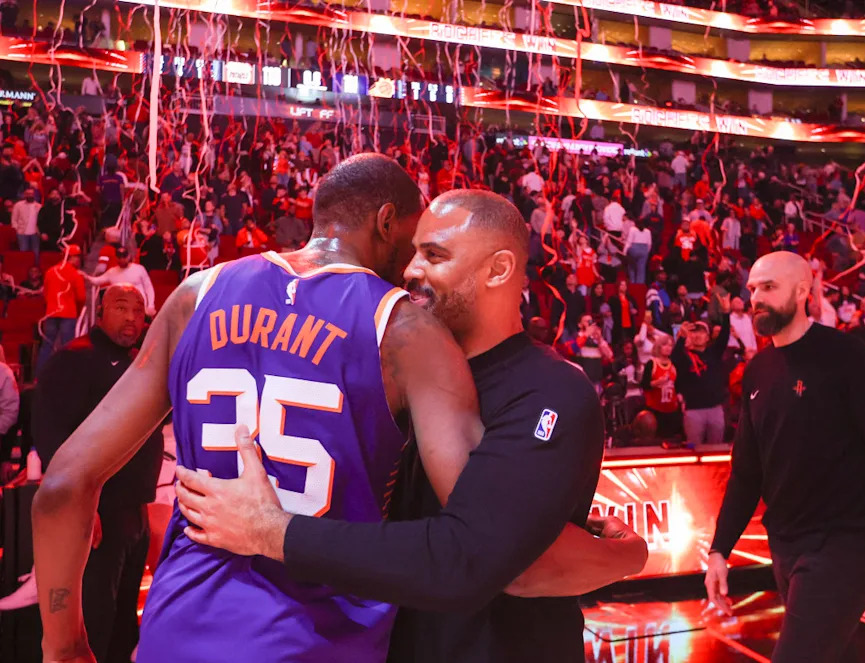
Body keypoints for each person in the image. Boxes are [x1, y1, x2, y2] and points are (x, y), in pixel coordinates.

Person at [32, 157, 640, 663]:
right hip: (318, 641)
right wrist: (625, 555)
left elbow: (61, 485)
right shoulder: (404, 328)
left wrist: (65, 646)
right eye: (412, 244)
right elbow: (483, 548)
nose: (409, 269)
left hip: (176, 630)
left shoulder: (197, 293)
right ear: (385, 222)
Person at [706, 251, 865, 663]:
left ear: (803, 290)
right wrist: (720, 549)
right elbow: (745, 474)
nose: (756, 297)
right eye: (753, 288)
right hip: (785, 546)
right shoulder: (758, 370)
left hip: (846, 544)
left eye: (769, 287)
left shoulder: (851, 359)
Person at [33, 285, 161, 663]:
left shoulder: (141, 362)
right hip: (97, 514)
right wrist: (80, 508)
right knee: (95, 620)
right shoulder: (75, 359)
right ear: (100, 311)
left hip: (134, 511)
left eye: (139, 311)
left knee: (125, 622)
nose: (132, 318)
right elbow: (51, 434)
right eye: (122, 308)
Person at [672, 307, 731, 446]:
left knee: (716, 449)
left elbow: (724, 335)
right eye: (694, 332)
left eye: (701, 332)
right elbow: (674, 358)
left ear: (708, 337)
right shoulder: (684, 356)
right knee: (693, 450)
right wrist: (681, 337)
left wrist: (726, 313)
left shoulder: (714, 353)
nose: (697, 335)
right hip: (693, 411)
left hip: (715, 409)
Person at [37, 244, 87, 370]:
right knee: (68, 347)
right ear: (71, 257)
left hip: (51, 313)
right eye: (77, 257)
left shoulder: (50, 271)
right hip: (69, 314)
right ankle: (66, 375)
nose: (79, 260)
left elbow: (46, 294)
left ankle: (40, 376)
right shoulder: (76, 275)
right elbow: (81, 298)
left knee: (47, 346)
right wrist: (78, 311)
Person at [84, 246, 156, 317]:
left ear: (128, 256)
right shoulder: (112, 272)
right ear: (116, 258)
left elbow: (148, 287)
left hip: (138, 306)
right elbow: (97, 281)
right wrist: (86, 277)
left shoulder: (139, 269)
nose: (122, 259)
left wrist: (150, 305)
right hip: (120, 309)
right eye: (120, 257)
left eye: (124, 257)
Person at [11, 187, 41, 260]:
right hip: (22, 233)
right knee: (24, 253)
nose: (29, 195)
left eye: (31, 194)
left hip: (35, 233)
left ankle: (35, 270)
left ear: (34, 195)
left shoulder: (39, 206)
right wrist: (17, 229)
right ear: (24, 195)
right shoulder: (18, 205)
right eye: (27, 194)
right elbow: (14, 219)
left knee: (36, 253)